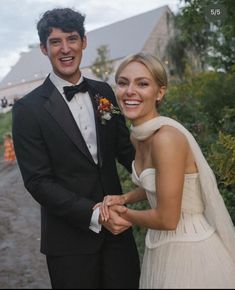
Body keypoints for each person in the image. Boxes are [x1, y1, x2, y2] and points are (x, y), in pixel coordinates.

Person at [12, 8, 140, 289]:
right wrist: (96, 214)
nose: (65, 49)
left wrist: (158, 176)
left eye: (72, 39)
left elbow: (124, 150)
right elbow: (37, 181)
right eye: (56, 42)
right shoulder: (27, 110)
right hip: (68, 244)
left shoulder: (103, 93)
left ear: (84, 41)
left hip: (119, 235)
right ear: (44, 49)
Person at [98, 52, 235, 288]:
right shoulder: (139, 136)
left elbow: (168, 218)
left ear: (160, 92)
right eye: (123, 82)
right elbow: (156, 184)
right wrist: (125, 197)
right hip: (160, 246)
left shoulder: (166, 139)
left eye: (142, 83)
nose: (130, 90)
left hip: (190, 251)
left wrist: (123, 214)